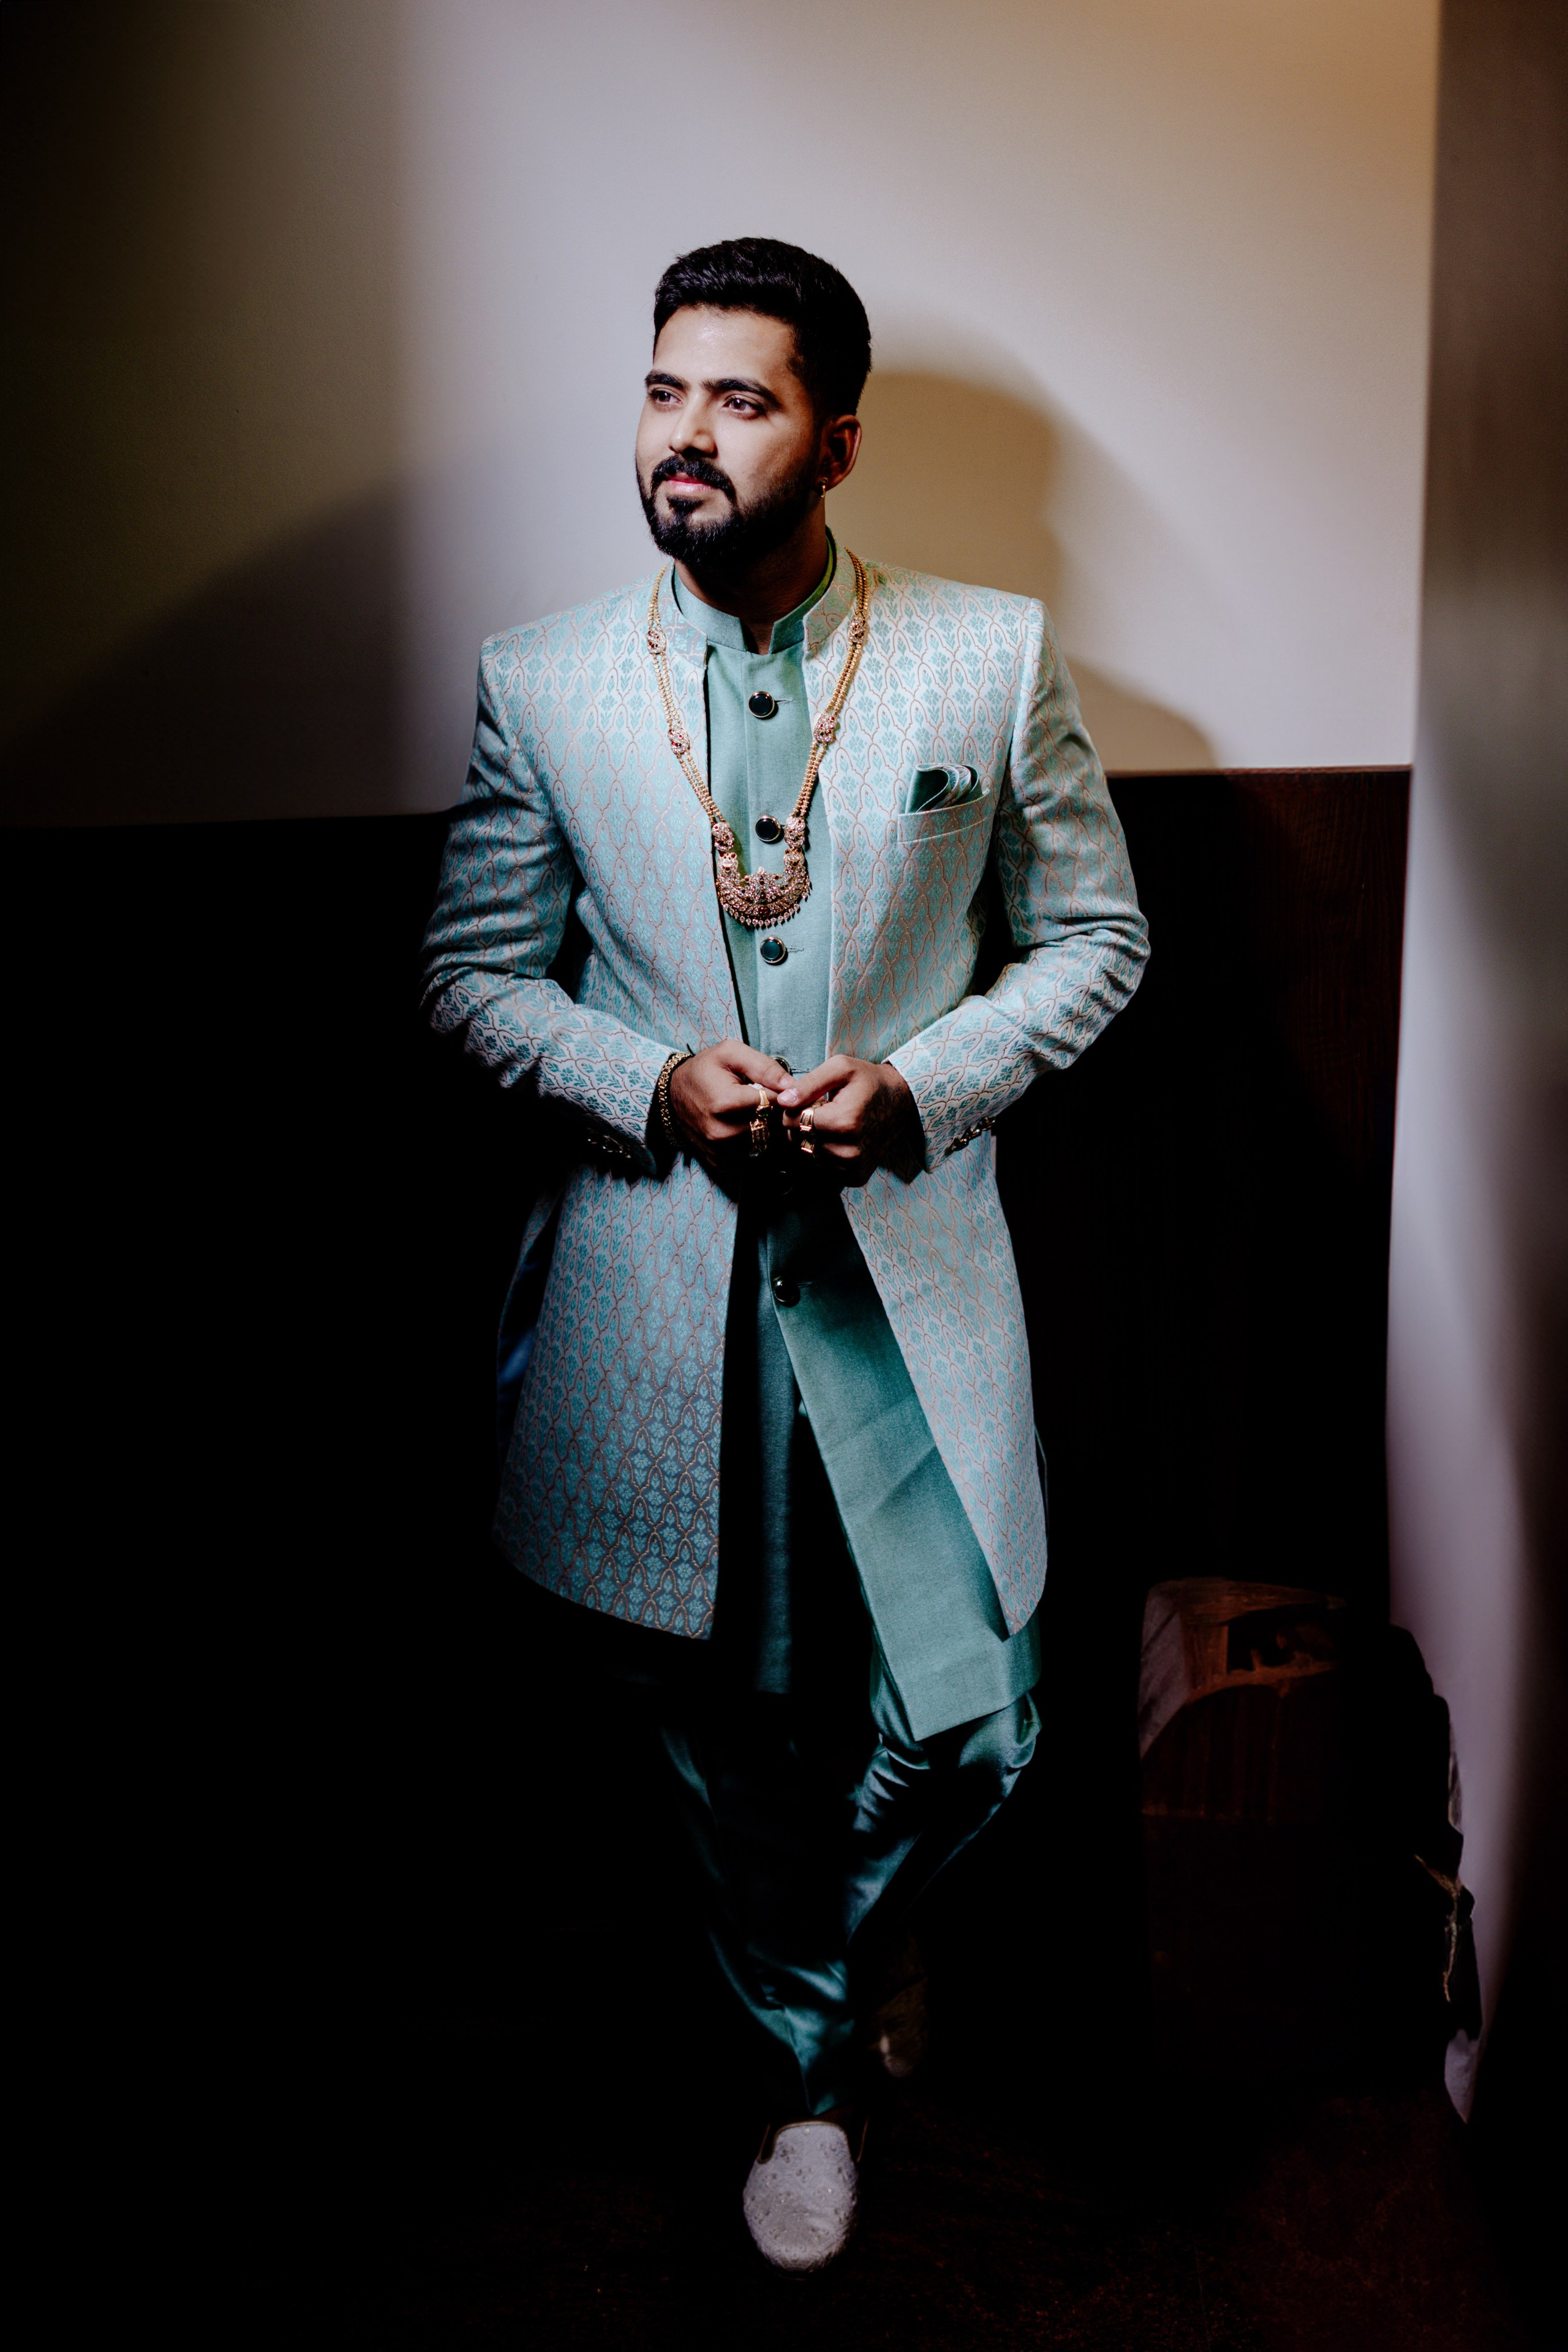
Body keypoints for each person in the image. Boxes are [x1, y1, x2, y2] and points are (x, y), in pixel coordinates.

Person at [421, 237, 1148, 2272]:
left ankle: (831, 1961)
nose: (684, 434)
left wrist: (919, 1083)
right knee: (725, 1722)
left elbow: (1100, 942)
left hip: (908, 1289)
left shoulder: (986, 656)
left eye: (738, 401)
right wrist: (650, 1080)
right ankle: (810, 2077)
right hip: (662, 1298)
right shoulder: (545, 677)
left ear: (835, 437)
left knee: (981, 1711)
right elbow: (473, 980)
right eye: (663, 390)